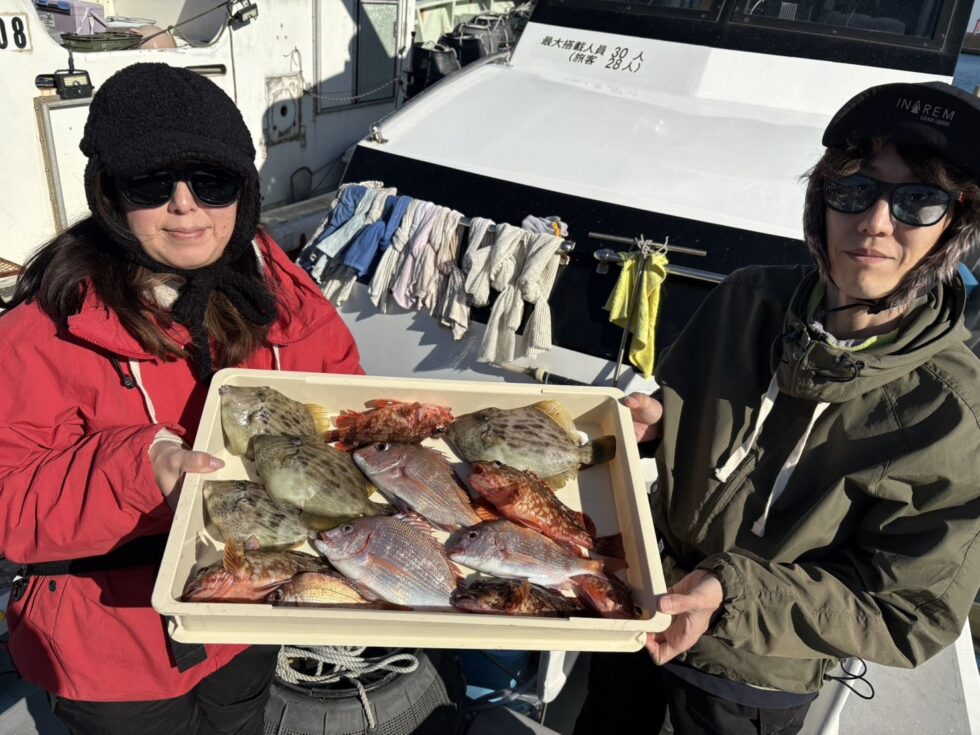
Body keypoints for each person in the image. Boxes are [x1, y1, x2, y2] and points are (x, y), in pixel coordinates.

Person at [575, 81, 980, 734]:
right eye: (855, 190)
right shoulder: (746, 298)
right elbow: (687, 407)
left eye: (918, 200)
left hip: (753, 671)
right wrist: (657, 426)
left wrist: (731, 592)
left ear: (955, 220)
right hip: (642, 594)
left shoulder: (955, 412)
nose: (876, 222)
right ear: (823, 199)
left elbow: (911, 612)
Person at [0, 63, 362, 734]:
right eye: (151, 182)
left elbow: (347, 406)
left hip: (247, 611)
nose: (186, 204)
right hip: (112, 648)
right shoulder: (40, 331)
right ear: (111, 194)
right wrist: (139, 470)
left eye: (213, 181)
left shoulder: (282, 293)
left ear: (245, 190)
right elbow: (8, 507)